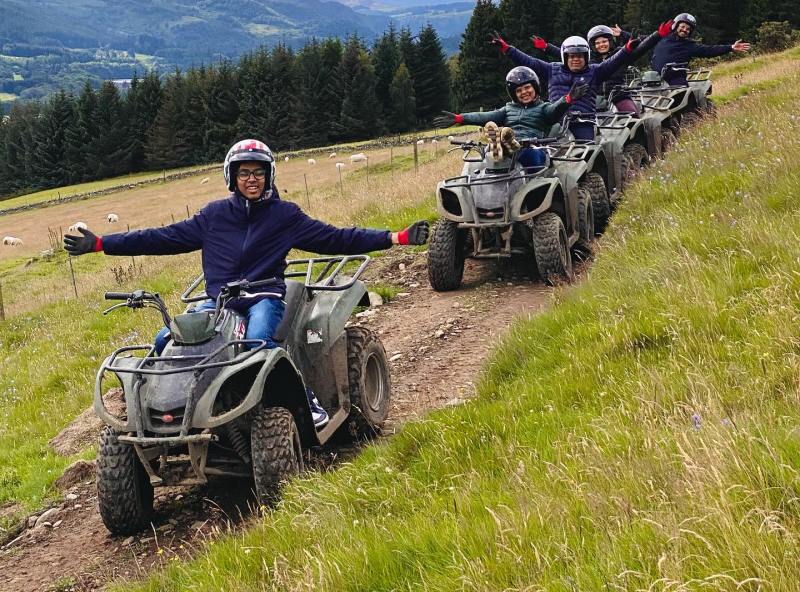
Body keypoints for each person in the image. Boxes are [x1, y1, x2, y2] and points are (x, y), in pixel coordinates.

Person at [63, 138, 430, 429]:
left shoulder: (285, 216)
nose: (251, 179)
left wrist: (394, 237)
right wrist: (101, 244)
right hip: (218, 302)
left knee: (258, 345)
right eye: (244, 173)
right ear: (232, 177)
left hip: (263, 296)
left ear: (269, 176)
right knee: (166, 341)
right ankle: (161, 414)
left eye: (258, 172)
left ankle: (307, 402)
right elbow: (161, 237)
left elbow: (336, 238)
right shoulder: (213, 216)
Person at [492, 22, 671, 140]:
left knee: (588, 152)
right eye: (571, 56)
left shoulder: (595, 71)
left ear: (586, 56)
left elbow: (618, 60)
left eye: (580, 56)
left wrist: (628, 48)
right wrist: (507, 49)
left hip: (583, 120)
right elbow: (529, 61)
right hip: (555, 120)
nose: (575, 59)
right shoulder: (552, 69)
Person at [433, 66, 588, 165]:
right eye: (518, 91)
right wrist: (460, 118)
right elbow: (484, 117)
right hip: (505, 155)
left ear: (535, 88)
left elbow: (554, 111)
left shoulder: (543, 108)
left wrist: (567, 99)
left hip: (532, 148)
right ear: (514, 94)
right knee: (484, 158)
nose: (524, 92)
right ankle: (501, 145)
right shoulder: (507, 109)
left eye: (527, 88)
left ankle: (505, 144)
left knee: (526, 153)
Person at [651, 12, 750, 83]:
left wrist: (730, 47)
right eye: (683, 26)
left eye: (688, 29)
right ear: (676, 26)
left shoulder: (689, 45)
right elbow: (645, 42)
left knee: (686, 100)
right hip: (654, 81)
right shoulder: (662, 38)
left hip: (676, 83)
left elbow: (709, 50)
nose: (685, 30)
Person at [586, 24, 639, 113]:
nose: (601, 45)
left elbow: (640, 46)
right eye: (597, 43)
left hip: (619, 96)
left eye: (604, 41)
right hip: (595, 99)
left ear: (610, 42)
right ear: (593, 46)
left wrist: (624, 34)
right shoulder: (588, 61)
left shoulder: (620, 54)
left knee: (632, 114)